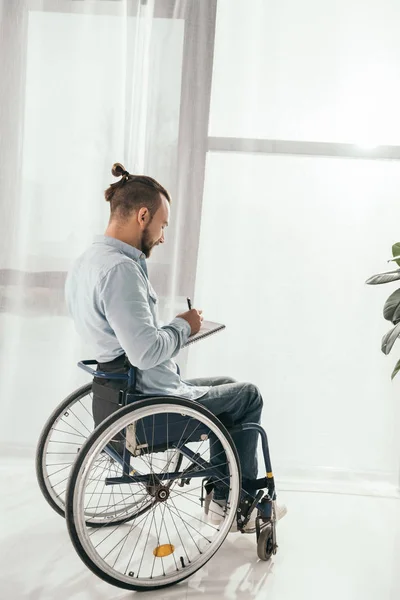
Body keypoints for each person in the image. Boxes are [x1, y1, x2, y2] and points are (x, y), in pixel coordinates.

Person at [65, 163, 286, 532]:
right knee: (247, 396)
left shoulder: (88, 261)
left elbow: (129, 339)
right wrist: (185, 326)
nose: (163, 236)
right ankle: (234, 504)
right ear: (143, 215)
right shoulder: (120, 270)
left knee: (227, 382)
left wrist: (173, 328)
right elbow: (146, 353)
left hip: (119, 387)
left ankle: (221, 493)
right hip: (148, 399)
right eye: (162, 225)